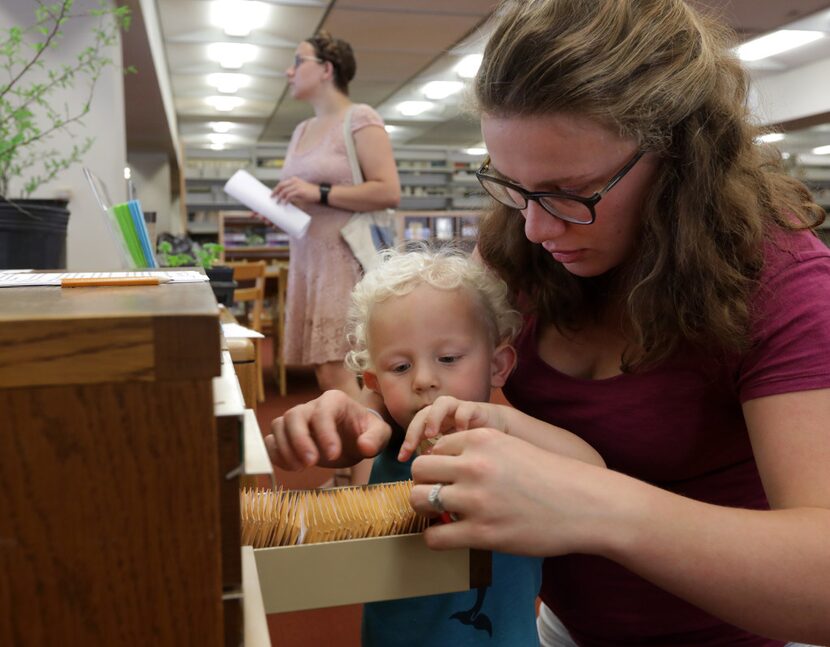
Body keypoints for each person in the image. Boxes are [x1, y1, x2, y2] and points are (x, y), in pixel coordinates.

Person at [267, 1, 830, 645]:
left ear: (680, 155)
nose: (536, 227)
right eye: (511, 185)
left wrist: (596, 508)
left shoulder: (782, 284)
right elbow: (428, 355)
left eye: (570, 192)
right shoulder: (520, 241)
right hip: (555, 625)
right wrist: (365, 412)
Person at [269, 245, 605, 646]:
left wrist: (502, 421)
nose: (424, 380)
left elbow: (594, 473)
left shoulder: (513, 447)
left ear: (498, 365)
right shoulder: (384, 446)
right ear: (375, 382)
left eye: (447, 358)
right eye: (400, 367)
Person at [271, 31, 400, 484]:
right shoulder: (301, 130)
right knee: (327, 375)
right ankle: (351, 474)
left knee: (348, 373)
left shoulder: (359, 118)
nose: (289, 70)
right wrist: (284, 204)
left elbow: (388, 190)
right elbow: (304, 195)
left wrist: (318, 191)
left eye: (298, 60)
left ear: (326, 68)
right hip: (308, 257)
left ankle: (370, 487)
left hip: (345, 259)